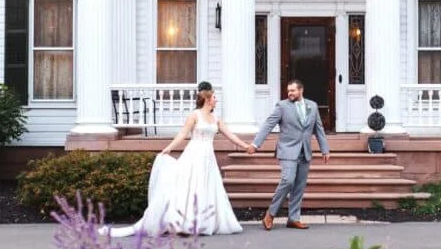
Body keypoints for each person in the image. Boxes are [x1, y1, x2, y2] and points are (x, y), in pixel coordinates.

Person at [100, 81, 247, 237]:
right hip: (194, 153)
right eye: (214, 97)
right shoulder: (194, 115)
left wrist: (245, 146)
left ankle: (204, 222)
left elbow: (230, 134)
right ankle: (185, 222)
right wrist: (169, 148)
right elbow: (183, 134)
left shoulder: (216, 119)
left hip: (208, 157)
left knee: (207, 186)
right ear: (207, 98)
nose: (216, 100)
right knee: (190, 186)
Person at [248, 78, 330, 230]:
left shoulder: (312, 106)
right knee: (288, 180)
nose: (290, 93)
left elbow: (319, 129)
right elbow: (268, 124)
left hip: (305, 151)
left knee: (299, 186)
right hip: (287, 150)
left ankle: (293, 218)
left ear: (301, 90)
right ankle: (270, 214)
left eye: (292, 90)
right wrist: (255, 144)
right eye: (288, 91)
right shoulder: (282, 106)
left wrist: (324, 149)